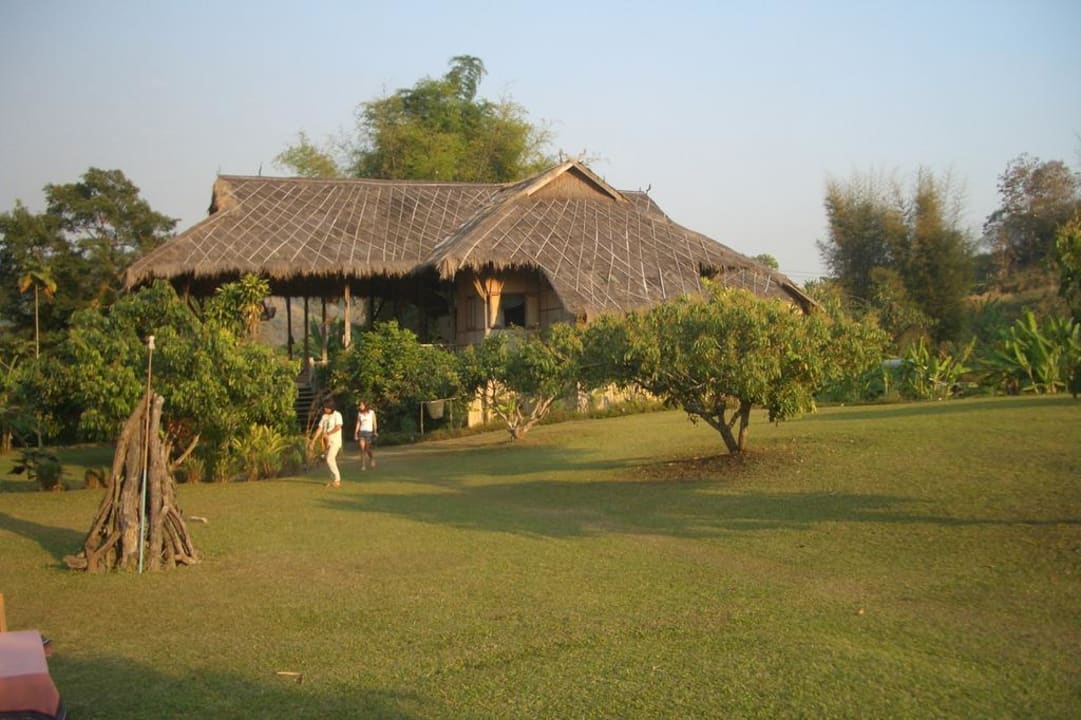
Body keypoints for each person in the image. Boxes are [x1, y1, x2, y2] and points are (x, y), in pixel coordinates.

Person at [317, 399, 344, 487]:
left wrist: (328, 433)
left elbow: (338, 427)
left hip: (335, 441)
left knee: (329, 459)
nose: (325, 409)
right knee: (329, 460)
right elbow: (320, 428)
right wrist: (313, 440)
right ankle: (333, 480)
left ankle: (337, 479)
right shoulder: (324, 417)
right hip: (326, 442)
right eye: (325, 407)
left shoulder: (337, 415)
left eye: (327, 408)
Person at [354, 400, 378, 470]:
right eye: (360, 405)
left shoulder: (371, 412)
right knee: (362, 449)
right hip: (362, 432)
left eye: (361, 405)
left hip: (369, 432)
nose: (360, 406)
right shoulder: (359, 414)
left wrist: (375, 431)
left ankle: (371, 459)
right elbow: (358, 423)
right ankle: (363, 465)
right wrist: (355, 433)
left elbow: (374, 422)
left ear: (365, 405)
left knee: (367, 449)